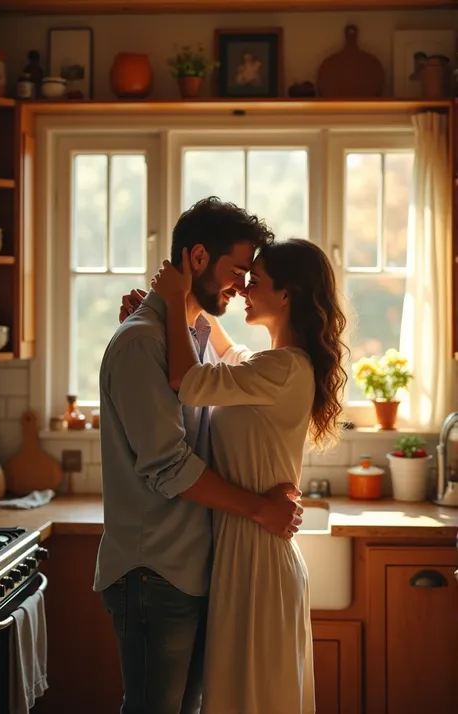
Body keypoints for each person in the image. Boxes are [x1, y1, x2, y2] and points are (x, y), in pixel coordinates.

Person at [95, 197, 304, 714]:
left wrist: (166, 305)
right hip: (154, 572)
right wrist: (260, 507)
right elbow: (170, 467)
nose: (242, 286)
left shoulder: (191, 338)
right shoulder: (142, 344)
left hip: (187, 567)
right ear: (195, 259)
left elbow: (214, 375)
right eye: (237, 272)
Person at [148, 237, 348, 714]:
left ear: (288, 294)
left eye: (255, 283)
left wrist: (175, 300)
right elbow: (227, 350)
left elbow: (188, 383)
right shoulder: (272, 367)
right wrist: (173, 311)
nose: (242, 291)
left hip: (258, 561)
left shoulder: (282, 369)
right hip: (248, 552)